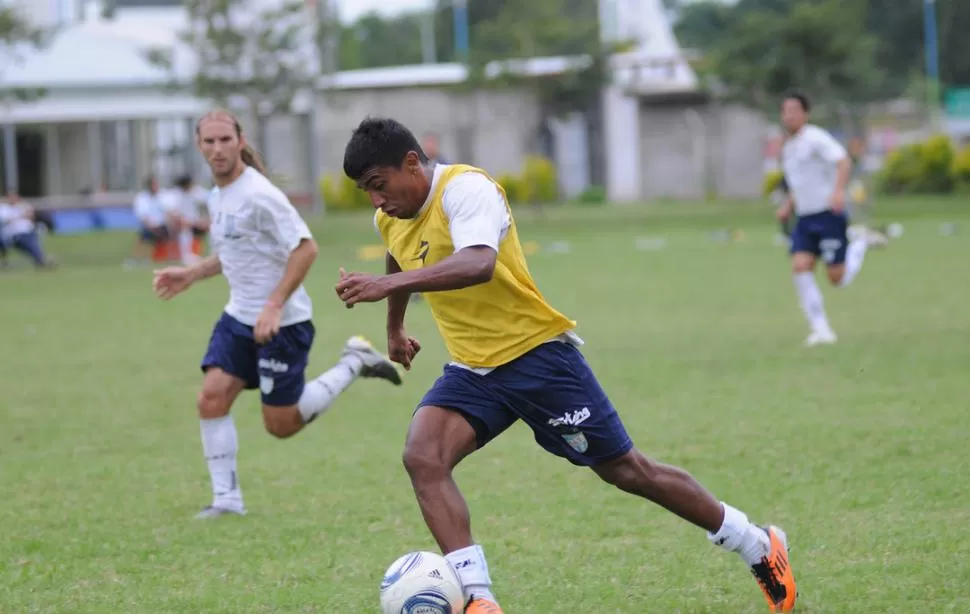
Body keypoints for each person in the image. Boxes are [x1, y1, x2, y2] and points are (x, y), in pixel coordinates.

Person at [335, 117, 798, 614]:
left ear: (411, 163)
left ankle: (755, 543)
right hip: (474, 369)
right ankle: (479, 600)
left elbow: (478, 263)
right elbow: (396, 255)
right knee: (423, 456)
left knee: (627, 470)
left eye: (378, 186)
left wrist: (388, 288)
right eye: (366, 192)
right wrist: (394, 328)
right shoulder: (391, 216)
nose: (376, 201)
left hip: (537, 356)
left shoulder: (466, 190)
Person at [153, 109, 403, 519]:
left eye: (224, 140)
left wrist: (273, 306)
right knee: (210, 399)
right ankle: (227, 502)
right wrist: (191, 274)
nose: (217, 149)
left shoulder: (260, 195)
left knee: (281, 425)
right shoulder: (217, 196)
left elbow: (305, 248)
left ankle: (353, 362)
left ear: (240, 140)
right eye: (209, 141)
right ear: (199, 146)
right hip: (239, 319)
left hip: (283, 324)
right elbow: (236, 251)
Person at [776, 91, 868, 347]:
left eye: (794, 110)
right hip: (804, 219)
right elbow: (799, 183)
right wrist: (788, 205)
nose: (789, 115)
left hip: (828, 215)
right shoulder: (788, 147)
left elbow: (843, 161)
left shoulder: (815, 138)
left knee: (836, 279)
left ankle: (859, 245)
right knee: (800, 267)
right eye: (785, 111)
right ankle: (820, 329)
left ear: (806, 114)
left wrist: (838, 192)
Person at [126, 176, 174, 268]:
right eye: (154, 185)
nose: (156, 186)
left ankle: (164, 257)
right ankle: (135, 259)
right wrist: (151, 226)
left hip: (161, 225)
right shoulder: (142, 198)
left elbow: (168, 211)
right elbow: (142, 216)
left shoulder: (162, 196)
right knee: (143, 237)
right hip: (148, 226)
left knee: (169, 233)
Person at [0, 192, 55, 269]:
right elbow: (5, 220)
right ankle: (42, 260)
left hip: (28, 231)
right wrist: (20, 216)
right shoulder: (3, 208)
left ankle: (41, 260)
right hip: (13, 234)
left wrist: (24, 214)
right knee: (29, 245)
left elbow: (31, 216)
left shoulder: (24, 206)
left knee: (33, 245)